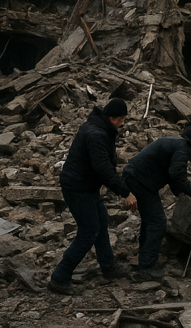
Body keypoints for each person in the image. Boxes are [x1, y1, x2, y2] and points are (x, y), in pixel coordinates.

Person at [48, 98, 137, 295]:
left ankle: (108, 266)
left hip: (86, 186)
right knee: (89, 231)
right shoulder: (96, 134)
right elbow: (103, 168)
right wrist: (125, 192)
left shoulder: (99, 127)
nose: (122, 124)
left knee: (101, 220)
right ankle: (59, 277)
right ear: (111, 117)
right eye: (120, 119)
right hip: (78, 188)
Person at [121, 125, 191, 280]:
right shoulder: (183, 147)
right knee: (158, 221)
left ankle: (144, 261)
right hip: (140, 182)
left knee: (149, 220)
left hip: (137, 178)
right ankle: (146, 268)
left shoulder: (176, 143)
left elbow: (170, 173)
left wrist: (179, 192)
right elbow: (176, 173)